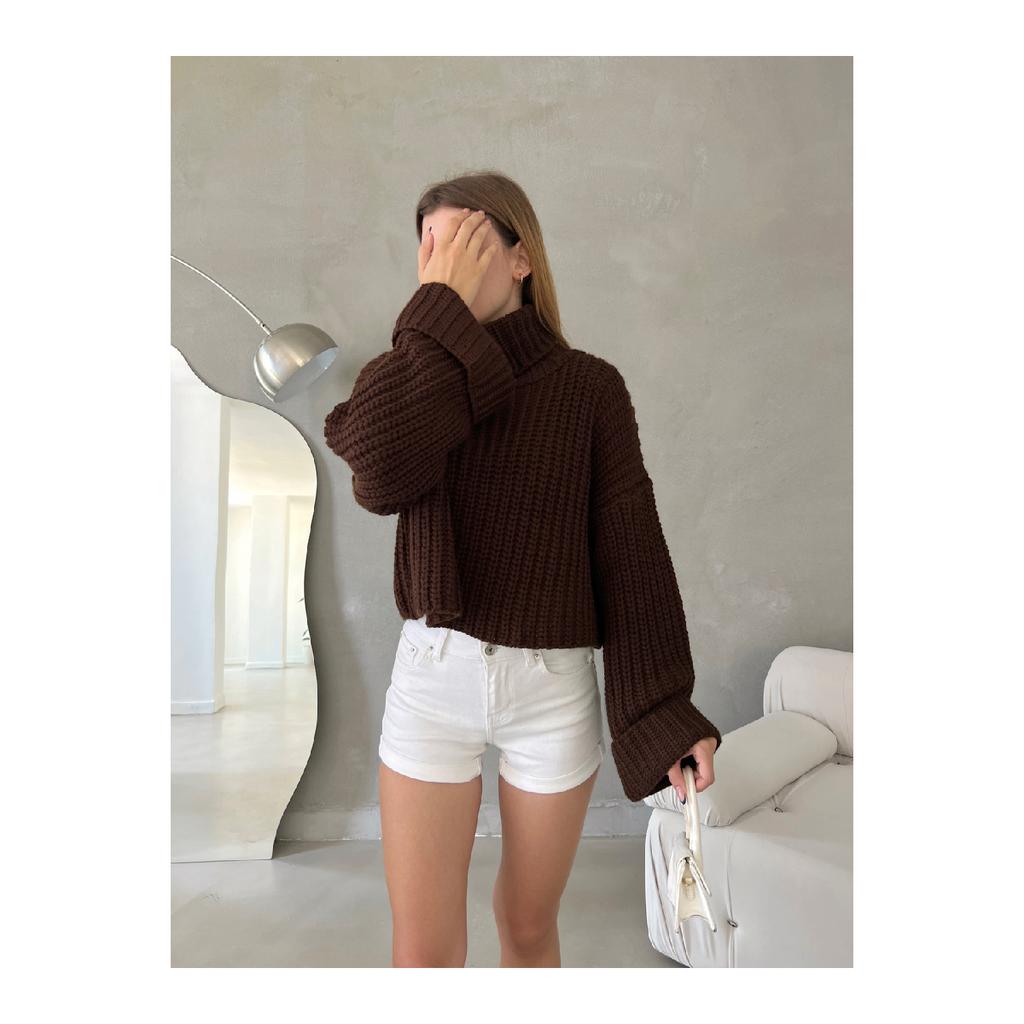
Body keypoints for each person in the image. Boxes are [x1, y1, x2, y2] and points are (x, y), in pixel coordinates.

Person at [323, 172, 721, 967]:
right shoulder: (411, 380)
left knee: (528, 927)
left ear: (519, 259)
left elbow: (632, 553)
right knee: (423, 952)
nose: (440, 264)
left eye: (462, 243)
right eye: (428, 252)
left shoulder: (589, 389)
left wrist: (666, 714)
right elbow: (377, 472)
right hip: (433, 681)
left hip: (551, 693)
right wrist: (437, 320)